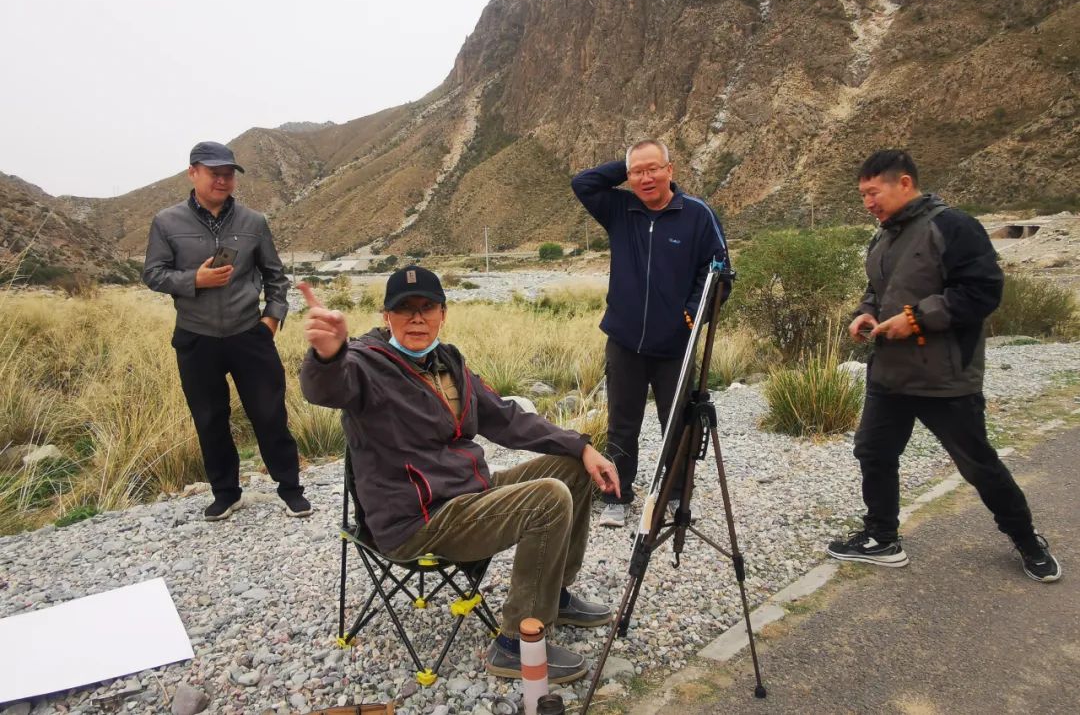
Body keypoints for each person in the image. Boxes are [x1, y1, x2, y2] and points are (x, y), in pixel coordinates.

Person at [298, 266, 620, 683]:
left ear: (442, 314)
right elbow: (328, 388)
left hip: (469, 498)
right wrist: (328, 355)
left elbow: (507, 418)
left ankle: (552, 595)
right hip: (418, 520)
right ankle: (517, 645)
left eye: (426, 307)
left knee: (571, 469)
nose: (417, 318)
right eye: (404, 309)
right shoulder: (365, 365)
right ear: (386, 316)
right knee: (548, 498)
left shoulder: (450, 363)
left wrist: (582, 446)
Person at [827, 149, 1061, 582]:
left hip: (945, 378)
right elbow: (878, 289)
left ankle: (1028, 542)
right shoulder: (884, 235)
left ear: (904, 184)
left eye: (873, 192)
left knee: (977, 465)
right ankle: (882, 537)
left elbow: (983, 291)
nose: (868, 203)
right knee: (874, 452)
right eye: (862, 195)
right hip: (890, 374)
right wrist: (867, 312)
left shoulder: (953, 226)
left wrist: (915, 318)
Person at [143, 141, 311, 521]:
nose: (223, 179)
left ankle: (290, 489)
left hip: (249, 333)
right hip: (196, 336)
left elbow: (275, 276)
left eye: (229, 173)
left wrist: (271, 318)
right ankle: (226, 493)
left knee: (270, 414)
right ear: (193, 173)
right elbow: (153, 274)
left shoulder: (254, 221)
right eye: (214, 172)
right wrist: (195, 279)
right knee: (209, 418)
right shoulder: (167, 222)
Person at [571, 140, 730, 527]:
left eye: (653, 168)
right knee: (622, 422)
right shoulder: (619, 209)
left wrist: (695, 312)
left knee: (675, 421)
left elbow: (719, 274)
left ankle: (675, 495)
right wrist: (624, 169)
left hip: (676, 343)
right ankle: (618, 496)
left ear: (670, 170)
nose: (646, 178)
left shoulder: (697, 215)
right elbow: (583, 183)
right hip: (624, 341)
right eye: (637, 171)